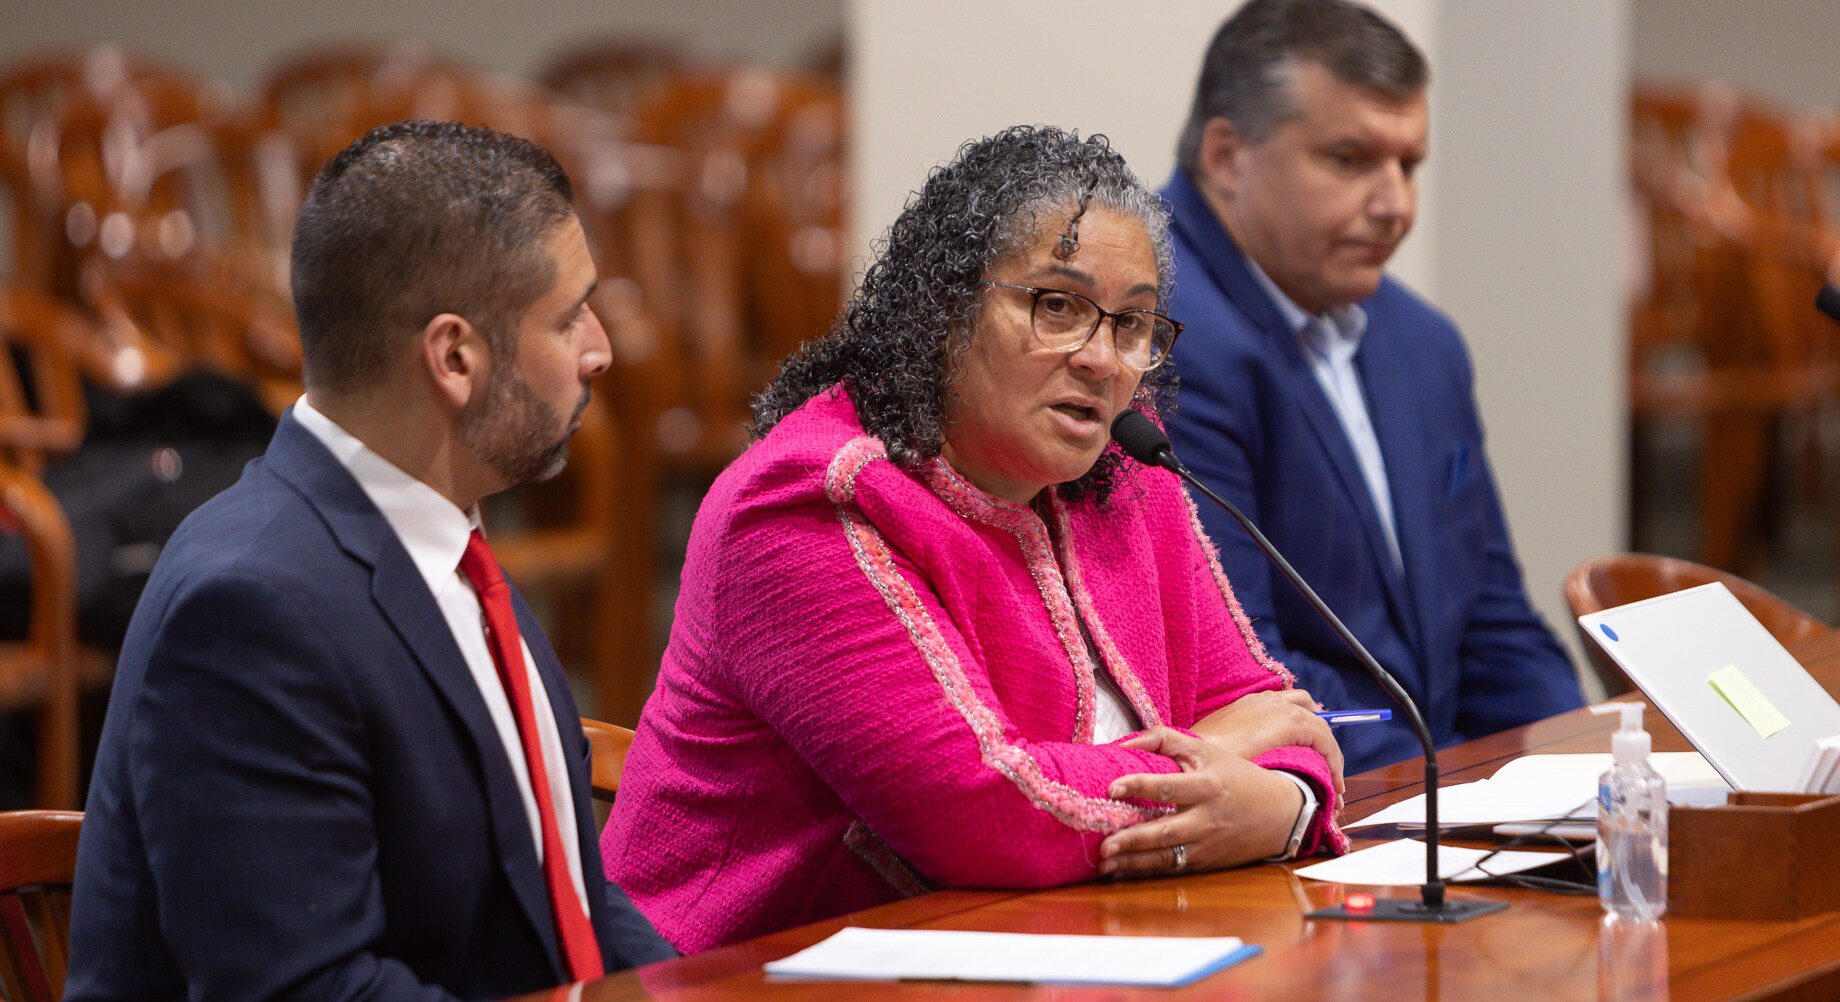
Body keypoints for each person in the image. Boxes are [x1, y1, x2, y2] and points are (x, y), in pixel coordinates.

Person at [603, 125, 1348, 953]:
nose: (1102, 359)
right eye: (1057, 306)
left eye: (1134, 323)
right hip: (758, 973)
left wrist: (1287, 810)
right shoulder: (807, 503)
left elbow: (1284, 724)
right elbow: (982, 811)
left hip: (1064, 949)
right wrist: (1214, 759)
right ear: (946, 305)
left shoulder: (1129, 477)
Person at [66, 120, 675, 1000]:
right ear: (455, 357)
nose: (600, 350)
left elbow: (569, 902)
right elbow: (307, 989)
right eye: (570, 314)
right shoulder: (249, 610)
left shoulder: (444, 543)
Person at [1161, 0, 1583, 772]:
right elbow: (1243, 673)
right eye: (1350, 159)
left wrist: (1584, 769)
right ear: (1226, 157)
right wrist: (1449, 791)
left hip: (1439, 791)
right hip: (1317, 815)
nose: (1395, 204)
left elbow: (1493, 622)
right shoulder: (1158, 331)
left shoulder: (1422, 342)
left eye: (1409, 164)